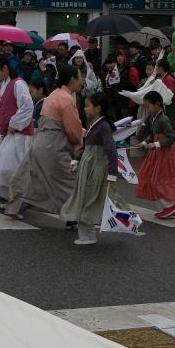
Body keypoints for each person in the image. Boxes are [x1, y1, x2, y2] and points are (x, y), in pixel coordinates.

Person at [5, 64, 83, 219]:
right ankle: (76, 215)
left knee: (31, 178)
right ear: (73, 79)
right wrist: (80, 141)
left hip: (41, 141)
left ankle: (16, 206)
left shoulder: (54, 95)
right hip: (54, 145)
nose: (82, 81)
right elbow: (73, 130)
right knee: (68, 181)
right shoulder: (66, 99)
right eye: (80, 77)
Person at [61, 91, 118, 245]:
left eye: (87, 106)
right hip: (88, 165)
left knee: (89, 198)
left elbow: (111, 150)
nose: (85, 109)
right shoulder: (94, 125)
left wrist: (112, 173)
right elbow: (86, 147)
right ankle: (85, 234)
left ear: (98, 108)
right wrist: (76, 161)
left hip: (96, 167)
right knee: (83, 197)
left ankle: (89, 235)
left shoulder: (104, 126)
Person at [133, 89, 175, 219]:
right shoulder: (154, 118)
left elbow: (172, 138)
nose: (147, 109)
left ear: (157, 105)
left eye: (148, 106)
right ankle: (167, 208)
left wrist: (155, 145)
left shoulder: (163, 119)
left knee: (158, 180)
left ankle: (169, 206)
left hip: (166, 153)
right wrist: (144, 143)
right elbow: (153, 135)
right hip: (158, 152)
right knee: (152, 178)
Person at [0, 54, 35, 202]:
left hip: (19, 134)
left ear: (5, 68)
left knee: (11, 167)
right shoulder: (3, 84)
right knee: (3, 165)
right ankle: (8, 195)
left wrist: (14, 124)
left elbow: (27, 106)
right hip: (8, 132)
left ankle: (17, 196)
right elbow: (0, 106)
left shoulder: (18, 84)